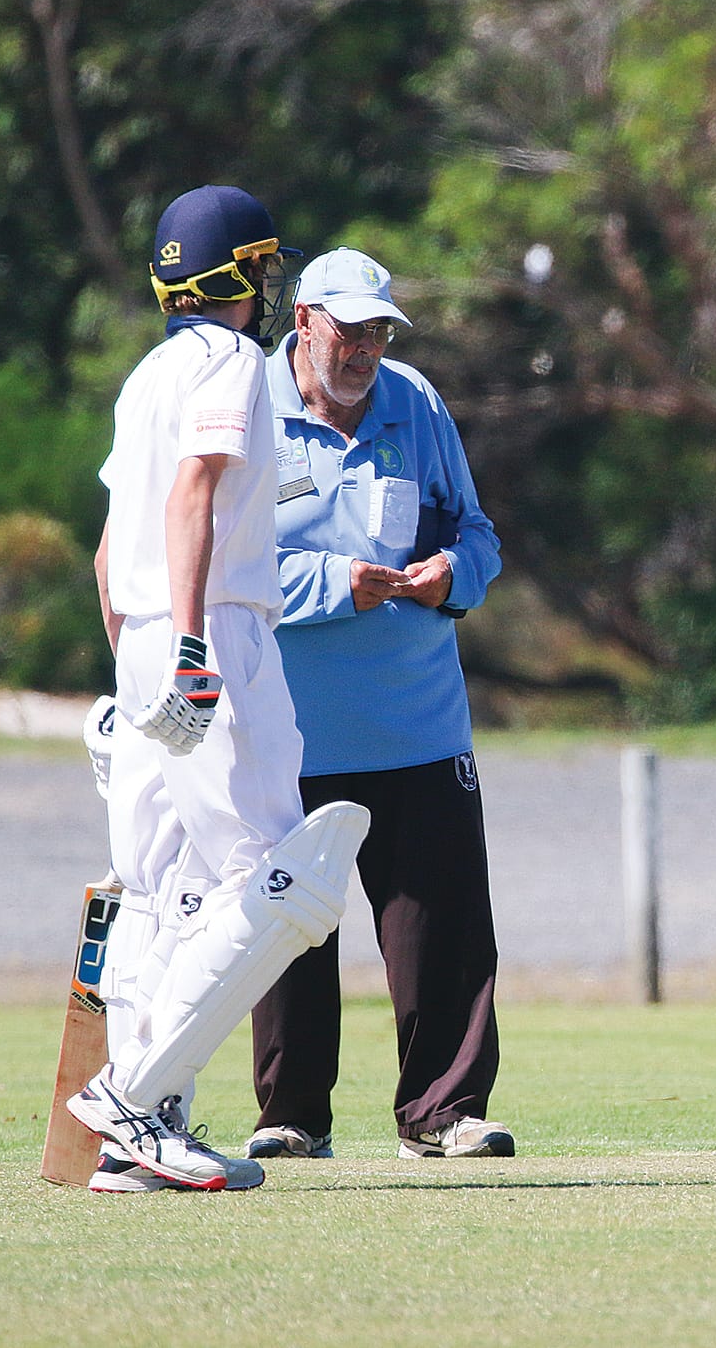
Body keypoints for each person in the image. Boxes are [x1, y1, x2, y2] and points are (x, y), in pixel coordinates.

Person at [73, 185, 370, 1191]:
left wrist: (138, 668)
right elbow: (199, 489)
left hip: (146, 637)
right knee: (280, 884)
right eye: (264, 266)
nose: (270, 285)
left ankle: (132, 1143)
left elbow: (112, 551)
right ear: (238, 273)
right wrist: (198, 648)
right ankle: (133, 1098)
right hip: (219, 633)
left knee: (159, 891)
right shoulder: (232, 363)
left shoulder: (147, 374)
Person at [245, 248, 513, 1162]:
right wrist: (330, 581)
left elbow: (478, 533)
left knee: (440, 926)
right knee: (287, 929)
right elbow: (217, 563)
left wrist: (453, 575)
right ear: (304, 320)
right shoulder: (248, 408)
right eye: (348, 330)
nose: (364, 349)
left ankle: (444, 1111)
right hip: (288, 730)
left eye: (378, 331)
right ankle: (290, 1115)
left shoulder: (415, 401)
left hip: (420, 723)